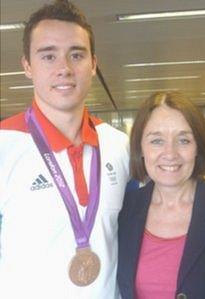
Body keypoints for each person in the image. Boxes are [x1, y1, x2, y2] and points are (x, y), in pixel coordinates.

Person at [0, 1, 129, 298]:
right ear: (27, 66)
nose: (64, 69)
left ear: (93, 64)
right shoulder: (4, 145)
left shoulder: (119, 145)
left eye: (76, 54)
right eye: (48, 56)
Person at [117, 92, 205, 299]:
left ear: (198, 148)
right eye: (156, 141)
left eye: (183, 140)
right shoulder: (124, 210)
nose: (170, 153)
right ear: (140, 148)